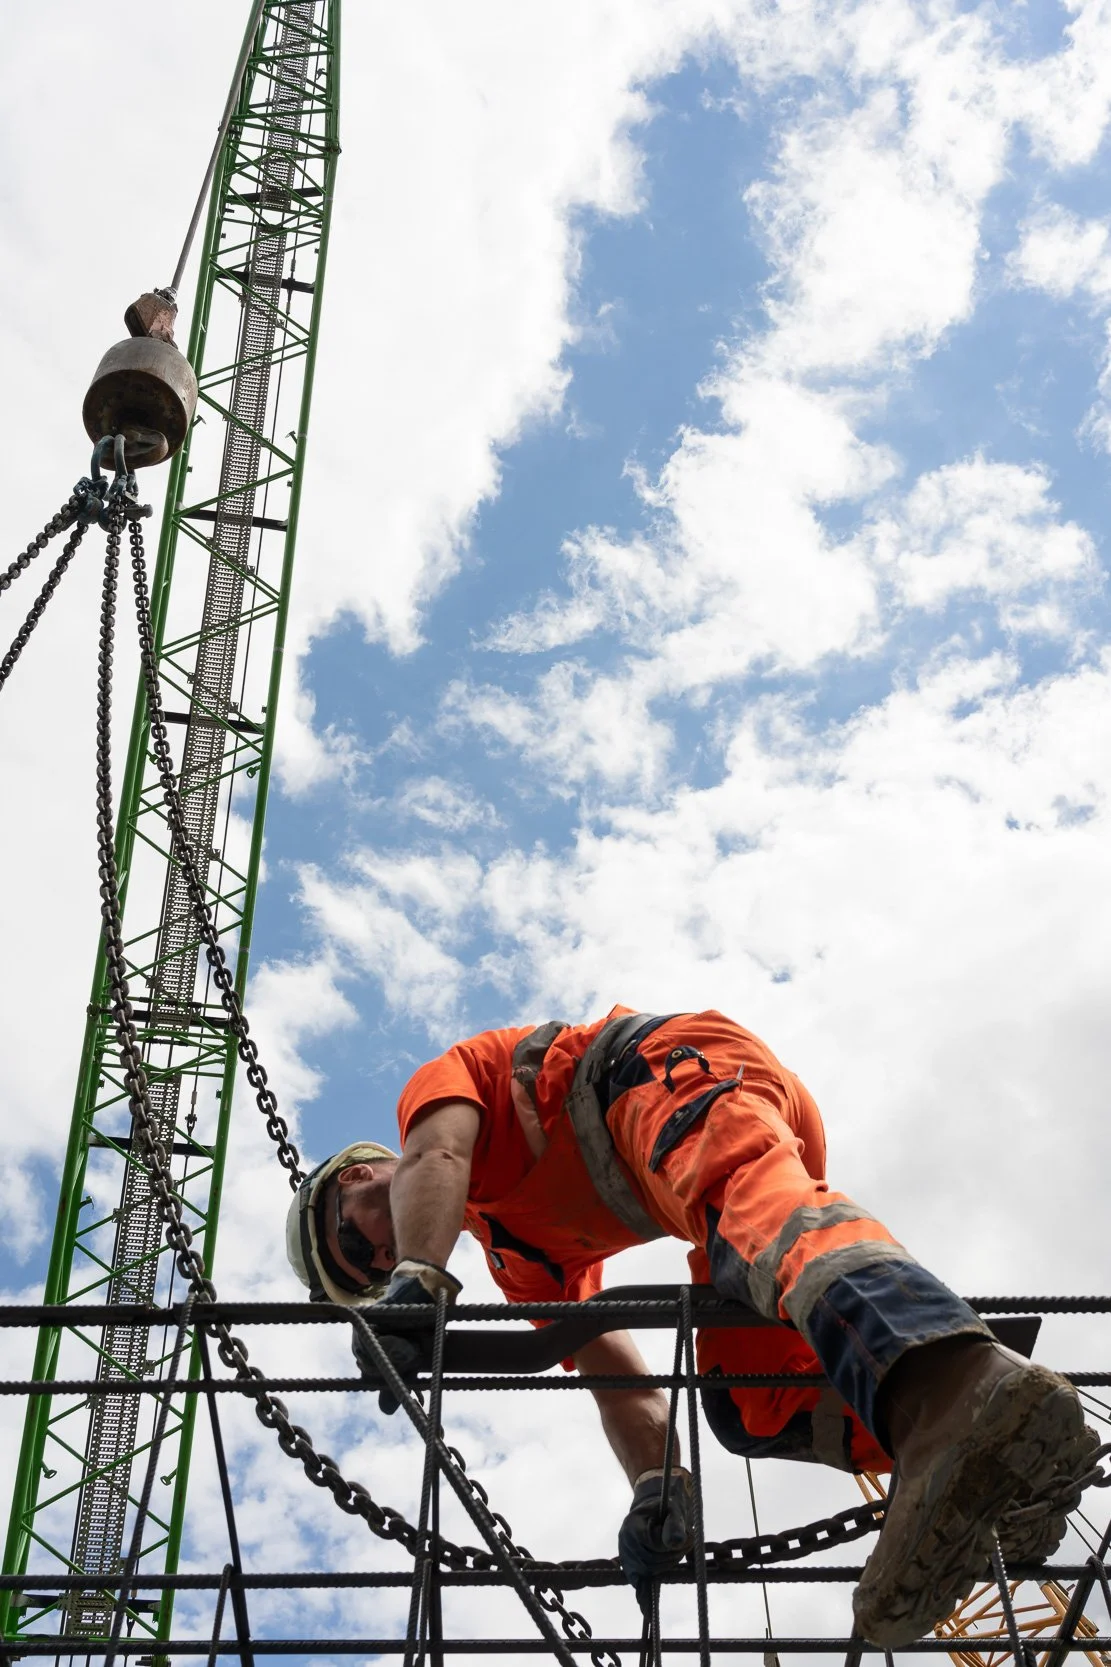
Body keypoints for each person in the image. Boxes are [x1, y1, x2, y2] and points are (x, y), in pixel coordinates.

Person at [285, 1006, 1098, 1647]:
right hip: (695, 1155)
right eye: (367, 1275)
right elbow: (618, 1379)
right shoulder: (517, 1257)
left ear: (357, 1175)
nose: (378, 1252)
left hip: (661, 1074)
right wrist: (658, 1488)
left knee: (741, 1205)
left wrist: (417, 1283)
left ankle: (954, 1383)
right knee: (746, 1402)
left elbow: (438, 1161)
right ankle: (1001, 1470)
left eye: (357, 1238)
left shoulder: (435, 1100)